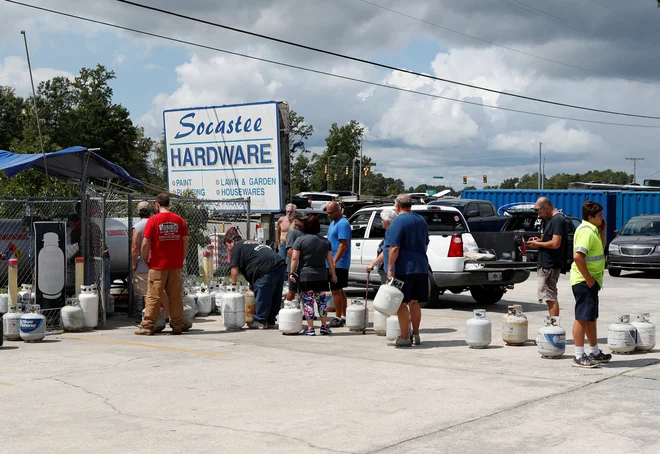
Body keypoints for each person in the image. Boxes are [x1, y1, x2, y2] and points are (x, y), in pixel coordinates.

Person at [136, 193, 189, 335]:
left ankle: (148, 326)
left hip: (157, 266)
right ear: (169, 203)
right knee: (175, 296)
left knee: (153, 296)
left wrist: (145, 260)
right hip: (175, 266)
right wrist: (181, 258)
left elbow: (145, 243)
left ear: (156, 204)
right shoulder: (179, 220)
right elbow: (185, 241)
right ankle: (177, 325)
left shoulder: (153, 221)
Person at [570, 200, 611, 368]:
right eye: (600, 215)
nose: (602, 217)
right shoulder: (586, 232)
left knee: (591, 318)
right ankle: (578, 356)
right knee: (582, 317)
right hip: (584, 281)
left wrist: (603, 228)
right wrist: (588, 279)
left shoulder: (592, 229)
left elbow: (600, 249)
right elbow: (578, 256)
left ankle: (594, 352)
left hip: (591, 281)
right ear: (590, 217)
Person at [385, 194, 429, 347]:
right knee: (415, 302)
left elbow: (394, 247)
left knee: (401, 303)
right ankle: (416, 334)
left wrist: (390, 268)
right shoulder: (421, 220)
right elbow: (425, 245)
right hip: (421, 267)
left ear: (397, 206)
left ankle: (404, 337)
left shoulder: (398, 221)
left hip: (404, 268)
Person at [224, 231, 286, 329]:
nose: (228, 249)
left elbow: (234, 268)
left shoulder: (237, 246)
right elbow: (253, 259)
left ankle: (260, 320)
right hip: (279, 263)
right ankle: (270, 320)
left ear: (233, 242)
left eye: (227, 246)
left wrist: (233, 284)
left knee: (262, 292)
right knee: (275, 294)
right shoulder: (251, 242)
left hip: (265, 267)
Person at [290, 215, 337, 336]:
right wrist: (333, 274)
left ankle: (310, 328)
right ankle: (324, 326)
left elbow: (295, 258)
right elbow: (330, 261)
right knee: (322, 302)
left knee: (308, 302)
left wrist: (292, 272)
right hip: (321, 276)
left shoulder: (300, 240)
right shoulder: (325, 241)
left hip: (306, 276)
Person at [528, 197, 567, 316]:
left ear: (546, 207)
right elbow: (550, 239)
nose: (539, 215)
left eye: (540, 212)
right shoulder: (550, 220)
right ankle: (552, 326)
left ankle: (553, 327)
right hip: (546, 264)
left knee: (550, 297)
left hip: (549, 265)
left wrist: (537, 244)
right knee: (549, 296)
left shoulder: (558, 219)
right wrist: (540, 240)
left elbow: (555, 243)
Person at [132, 201, 170, 321]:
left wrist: (134, 263)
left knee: (146, 292)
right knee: (161, 289)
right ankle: (168, 315)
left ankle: (149, 317)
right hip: (158, 262)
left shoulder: (137, 227)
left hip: (144, 264)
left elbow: (135, 247)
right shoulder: (157, 223)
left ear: (138, 212)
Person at [325, 201, 351, 328]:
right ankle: (343, 316)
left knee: (335, 290)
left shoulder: (343, 224)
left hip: (339, 263)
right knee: (339, 290)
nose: (328, 214)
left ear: (337, 210)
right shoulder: (333, 223)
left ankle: (338, 317)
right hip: (332, 261)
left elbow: (343, 244)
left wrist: (334, 261)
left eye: (330, 212)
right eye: (327, 212)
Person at [366, 208, 398, 284]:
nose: (381, 222)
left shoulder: (391, 233)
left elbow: (386, 252)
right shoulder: (395, 231)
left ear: (387, 221)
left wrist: (372, 264)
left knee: (388, 293)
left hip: (390, 271)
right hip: (392, 270)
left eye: (382, 220)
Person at [284, 212, 307, 302]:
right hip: (294, 267)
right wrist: (297, 262)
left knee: (303, 292)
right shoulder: (292, 232)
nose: (304, 222)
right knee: (292, 290)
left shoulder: (303, 232)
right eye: (302, 221)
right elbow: (290, 251)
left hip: (303, 267)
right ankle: (287, 308)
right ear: (296, 221)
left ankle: (303, 312)